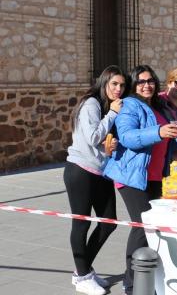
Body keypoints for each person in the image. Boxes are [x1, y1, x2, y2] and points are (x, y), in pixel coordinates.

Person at [103, 65, 177, 295]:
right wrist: (158, 132)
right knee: (141, 226)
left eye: (150, 81)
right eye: (140, 81)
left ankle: (149, 278)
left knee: (150, 226)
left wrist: (176, 135)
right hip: (131, 175)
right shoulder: (130, 105)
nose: (146, 85)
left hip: (155, 176)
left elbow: (163, 136)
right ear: (133, 84)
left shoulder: (156, 105)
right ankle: (131, 283)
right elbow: (128, 137)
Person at [65, 65, 127, 295]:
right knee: (81, 223)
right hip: (80, 170)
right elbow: (92, 137)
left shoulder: (106, 106)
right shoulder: (91, 103)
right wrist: (112, 113)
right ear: (104, 83)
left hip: (101, 171)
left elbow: (102, 141)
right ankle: (82, 276)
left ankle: (82, 271)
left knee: (108, 221)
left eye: (121, 85)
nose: (118, 89)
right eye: (114, 84)